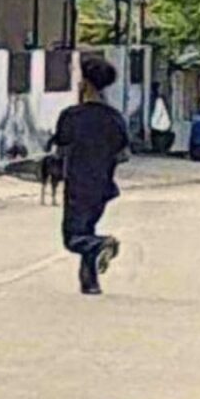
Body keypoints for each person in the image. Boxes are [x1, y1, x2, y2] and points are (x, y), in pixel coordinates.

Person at [50, 56, 129, 295]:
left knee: (74, 238)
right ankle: (90, 282)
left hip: (77, 184)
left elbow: (60, 148)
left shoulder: (72, 116)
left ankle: (103, 244)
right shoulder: (115, 118)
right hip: (103, 186)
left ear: (84, 84)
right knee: (88, 228)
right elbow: (123, 154)